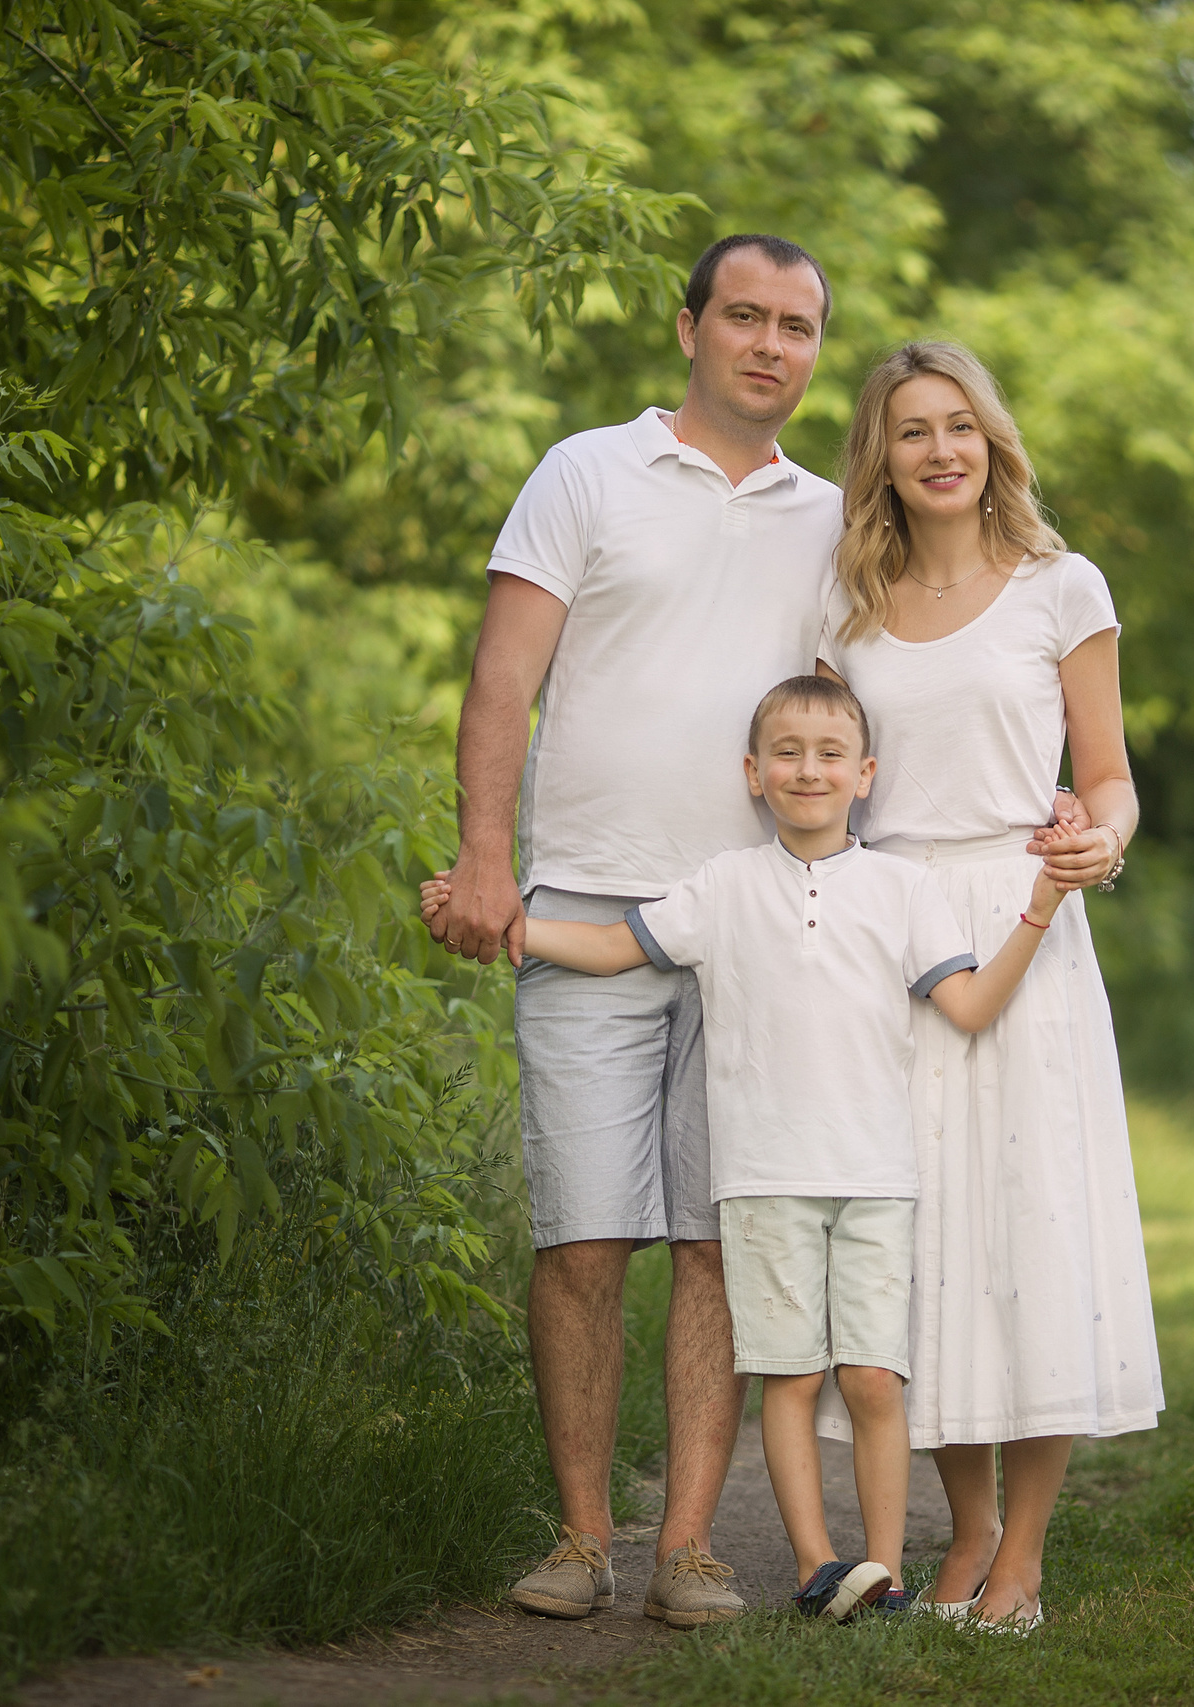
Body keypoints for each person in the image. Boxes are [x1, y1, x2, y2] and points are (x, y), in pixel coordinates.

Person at [424, 676, 1065, 1621]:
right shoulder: (723, 886)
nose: (810, 768)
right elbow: (613, 947)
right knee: (793, 1376)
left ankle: (880, 1571)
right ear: (754, 774)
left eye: (831, 753)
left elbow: (967, 1004)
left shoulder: (902, 888)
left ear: (866, 774)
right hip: (763, 1180)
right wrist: (509, 928)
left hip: (878, 1179)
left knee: (875, 1378)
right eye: (789, 752)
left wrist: (1040, 908)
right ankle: (819, 1567)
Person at [427, 235, 840, 1628]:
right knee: (584, 1237)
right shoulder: (584, 470)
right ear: (690, 326)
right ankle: (582, 1534)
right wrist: (489, 856)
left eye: (796, 325)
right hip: (584, 904)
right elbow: (504, 676)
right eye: (746, 316)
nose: (770, 344)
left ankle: (690, 1547)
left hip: (759, 932)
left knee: (722, 1240)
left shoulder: (838, 519)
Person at [816, 340, 1166, 1633]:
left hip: (1029, 923)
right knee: (928, 1245)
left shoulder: (1059, 589)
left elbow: (1111, 772)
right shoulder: (846, 608)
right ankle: (960, 1530)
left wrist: (1103, 839)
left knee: (1032, 1225)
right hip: (897, 932)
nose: (941, 449)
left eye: (960, 425)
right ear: (883, 458)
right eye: (912, 430)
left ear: (993, 441)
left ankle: (1023, 1550)